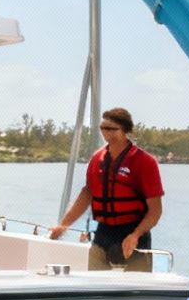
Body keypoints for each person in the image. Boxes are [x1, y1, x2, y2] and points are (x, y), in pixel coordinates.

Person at [49, 108, 165, 272]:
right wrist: (63, 225)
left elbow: (155, 211)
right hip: (104, 234)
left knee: (133, 289)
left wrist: (136, 235)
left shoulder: (144, 162)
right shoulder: (97, 159)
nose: (105, 132)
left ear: (125, 130)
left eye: (111, 128)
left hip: (133, 234)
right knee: (94, 284)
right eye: (103, 127)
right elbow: (87, 194)